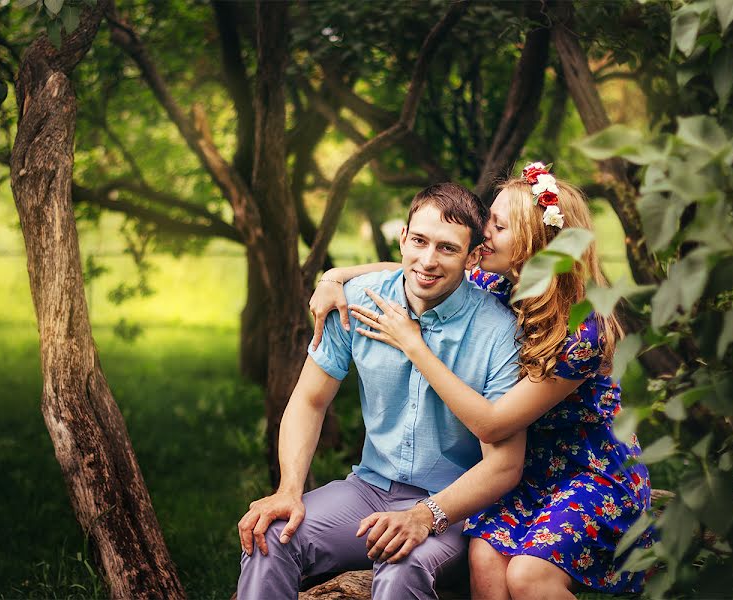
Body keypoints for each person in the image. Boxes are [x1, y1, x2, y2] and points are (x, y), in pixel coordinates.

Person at [309, 163, 653, 599]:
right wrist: (334, 278)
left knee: (529, 575)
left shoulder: (581, 330)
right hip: (525, 471)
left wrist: (416, 346)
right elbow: (416, 263)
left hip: (588, 473)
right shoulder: (497, 283)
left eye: (498, 225)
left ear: (535, 244)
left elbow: (493, 426)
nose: (482, 232)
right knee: (484, 557)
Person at [237, 183, 525, 600]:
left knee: (400, 566)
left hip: (456, 508)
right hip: (368, 489)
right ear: (403, 238)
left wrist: (425, 516)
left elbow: (503, 467)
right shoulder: (354, 301)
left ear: (473, 256)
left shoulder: (498, 332)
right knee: (272, 536)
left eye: (447, 248)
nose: (427, 261)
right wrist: (289, 489)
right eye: (420, 241)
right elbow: (309, 400)